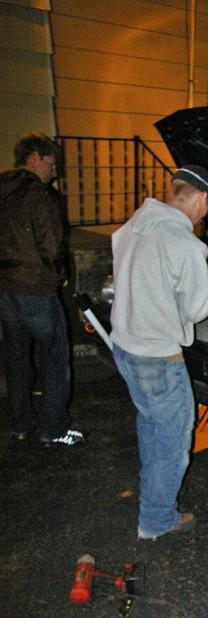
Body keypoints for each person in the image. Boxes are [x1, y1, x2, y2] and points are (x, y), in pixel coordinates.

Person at [110, 165, 208, 541]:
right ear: (199, 198)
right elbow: (198, 311)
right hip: (158, 357)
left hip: (125, 346)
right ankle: (157, 521)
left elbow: (149, 282)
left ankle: (152, 499)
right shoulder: (187, 245)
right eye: (206, 210)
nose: (203, 218)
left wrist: (194, 277)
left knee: (151, 425)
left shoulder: (131, 227)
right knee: (175, 443)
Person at [0, 131, 85, 446]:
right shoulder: (40, 195)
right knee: (55, 358)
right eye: (51, 163)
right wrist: (58, 279)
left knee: (16, 357)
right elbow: (52, 247)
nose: (55, 170)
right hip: (35, 289)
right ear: (35, 157)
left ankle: (21, 423)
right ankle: (54, 429)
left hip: (5, 289)